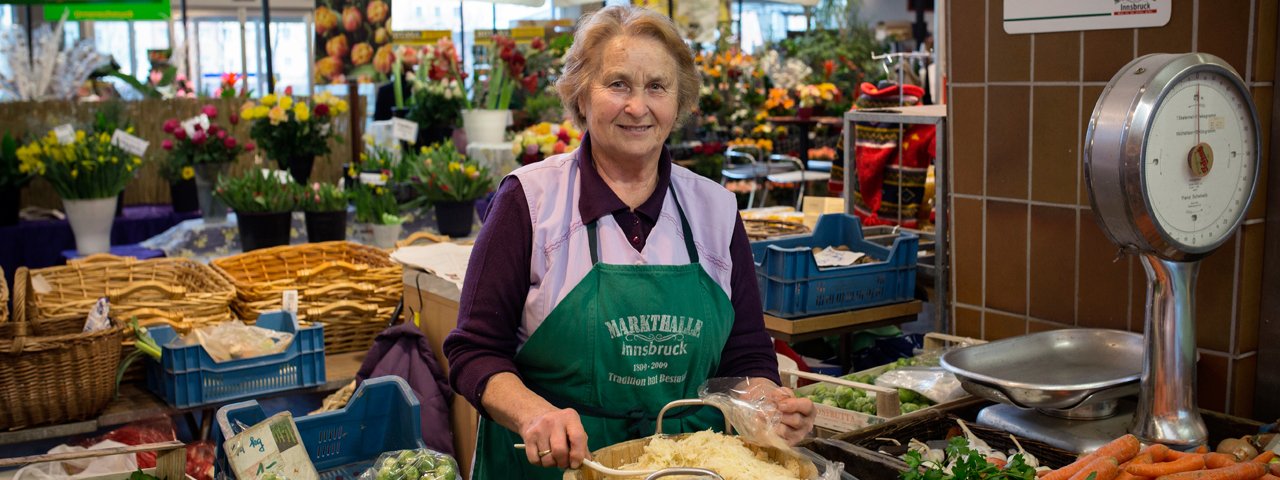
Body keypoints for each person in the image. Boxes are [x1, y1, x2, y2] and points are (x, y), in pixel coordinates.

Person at [442, 6, 816, 478]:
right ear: (581, 95)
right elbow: (473, 351)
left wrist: (768, 405)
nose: (637, 107)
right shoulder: (530, 202)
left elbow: (745, 354)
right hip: (556, 467)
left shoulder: (715, 210)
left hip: (686, 465)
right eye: (617, 84)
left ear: (679, 103)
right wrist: (532, 413)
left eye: (657, 87)